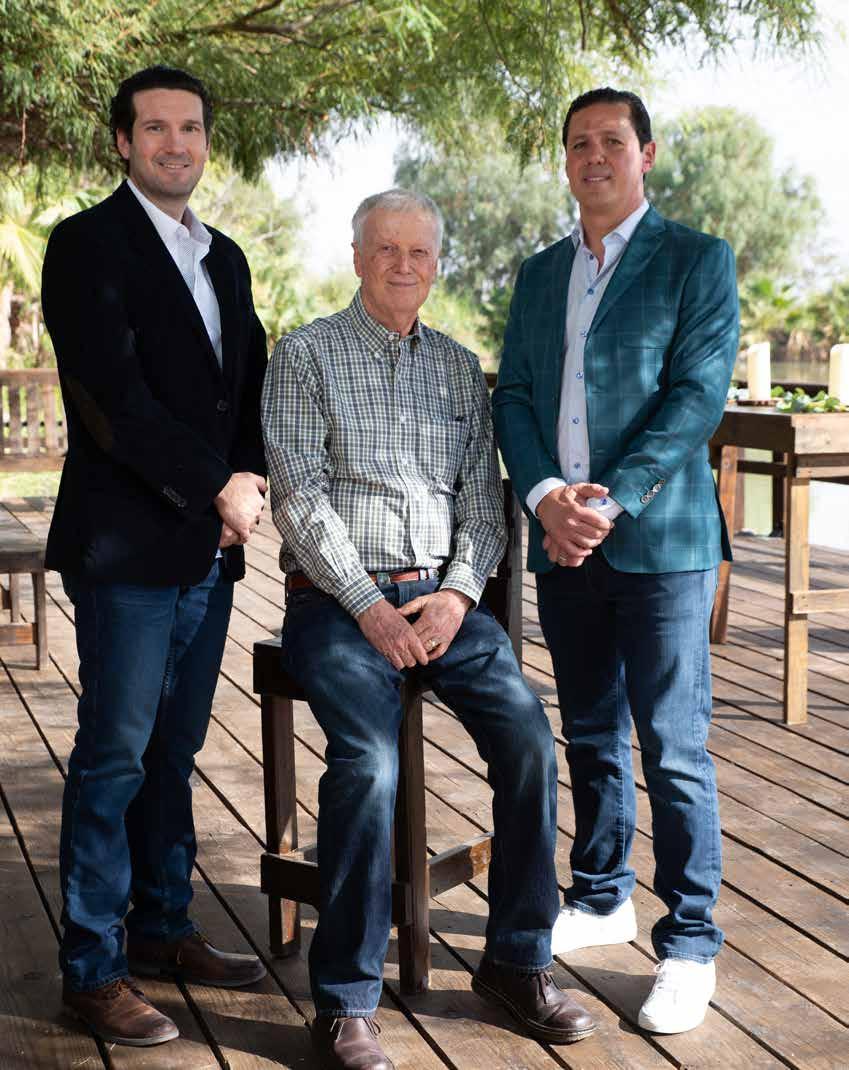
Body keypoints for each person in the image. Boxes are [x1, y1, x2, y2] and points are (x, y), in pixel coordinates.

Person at [262, 188, 595, 1070]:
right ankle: (344, 1003)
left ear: (436, 266)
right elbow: (298, 498)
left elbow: (482, 506)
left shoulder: (456, 365)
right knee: (368, 766)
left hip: (443, 602)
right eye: (386, 249)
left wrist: (456, 596)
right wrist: (367, 606)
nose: (402, 265)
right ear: (357, 257)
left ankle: (515, 962)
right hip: (336, 604)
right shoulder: (304, 354)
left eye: (418, 252)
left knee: (529, 739)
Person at [493, 87, 739, 1036]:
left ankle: (689, 944)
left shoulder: (695, 259)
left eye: (611, 141)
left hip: (660, 541)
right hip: (561, 538)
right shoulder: (540, 273)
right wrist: (544, 495)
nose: (593, 156)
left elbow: (695, 396)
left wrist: (609, 499)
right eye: (577, 143)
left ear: (646, 154)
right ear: (564, 160)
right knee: (590, 732)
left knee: (672, 747)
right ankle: (600, 897)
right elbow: (516, 396)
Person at [41, 65, 269, 1047]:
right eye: (157, 128)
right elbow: (112, 401)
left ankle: (163, 926)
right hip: (129, 548)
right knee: (115, 754)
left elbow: (247, 385)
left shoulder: (226, 257)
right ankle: (91, 968)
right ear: (123, 142)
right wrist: (214, 487)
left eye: (192, 127)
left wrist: (247, 482)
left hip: (212, 548)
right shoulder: (85, 245)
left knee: (175, 748)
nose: (177, 143)